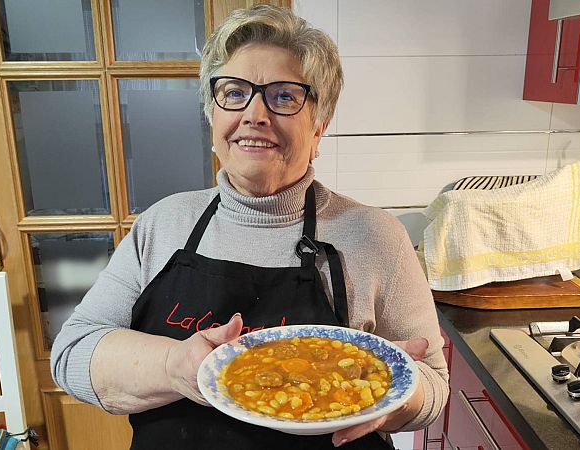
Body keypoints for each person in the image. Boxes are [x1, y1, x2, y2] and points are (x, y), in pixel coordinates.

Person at [51, 5, 448, 449]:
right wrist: (174, 366)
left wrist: (391, 395)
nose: (255, 114)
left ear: (319, 127)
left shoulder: (377, 237)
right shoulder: (163, 224)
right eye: (235, 92)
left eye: (283, 96)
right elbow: (73, 354)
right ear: (213, 115)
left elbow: (432, 384)